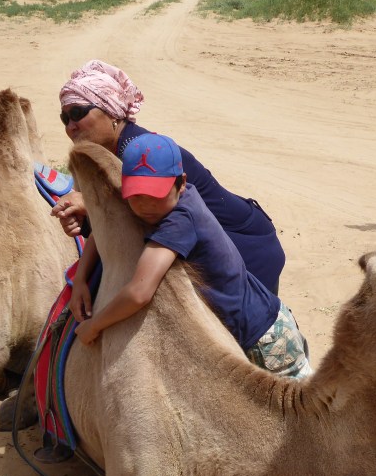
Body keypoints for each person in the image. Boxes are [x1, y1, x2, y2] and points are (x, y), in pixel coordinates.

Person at [73, 133, 311, 381]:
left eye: (155, 194)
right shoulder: (164, 203)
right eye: (136, 195)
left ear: (182, 183)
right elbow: (110, 224)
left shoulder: (181, 219)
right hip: (249, 325)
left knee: (296, 403)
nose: (145, 205)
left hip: (263, 339)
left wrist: (95, 325)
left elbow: (139, 292)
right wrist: (81, 279)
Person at [51, 59, 286, 297]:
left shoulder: (140, 153)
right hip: (204, 243)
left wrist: (91, 204)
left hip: (244, 248)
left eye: (77, 113)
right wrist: (87, 221)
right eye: (65, 119)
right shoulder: (108, 154)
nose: (71, 126)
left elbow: (138, 211)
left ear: (111, 111)